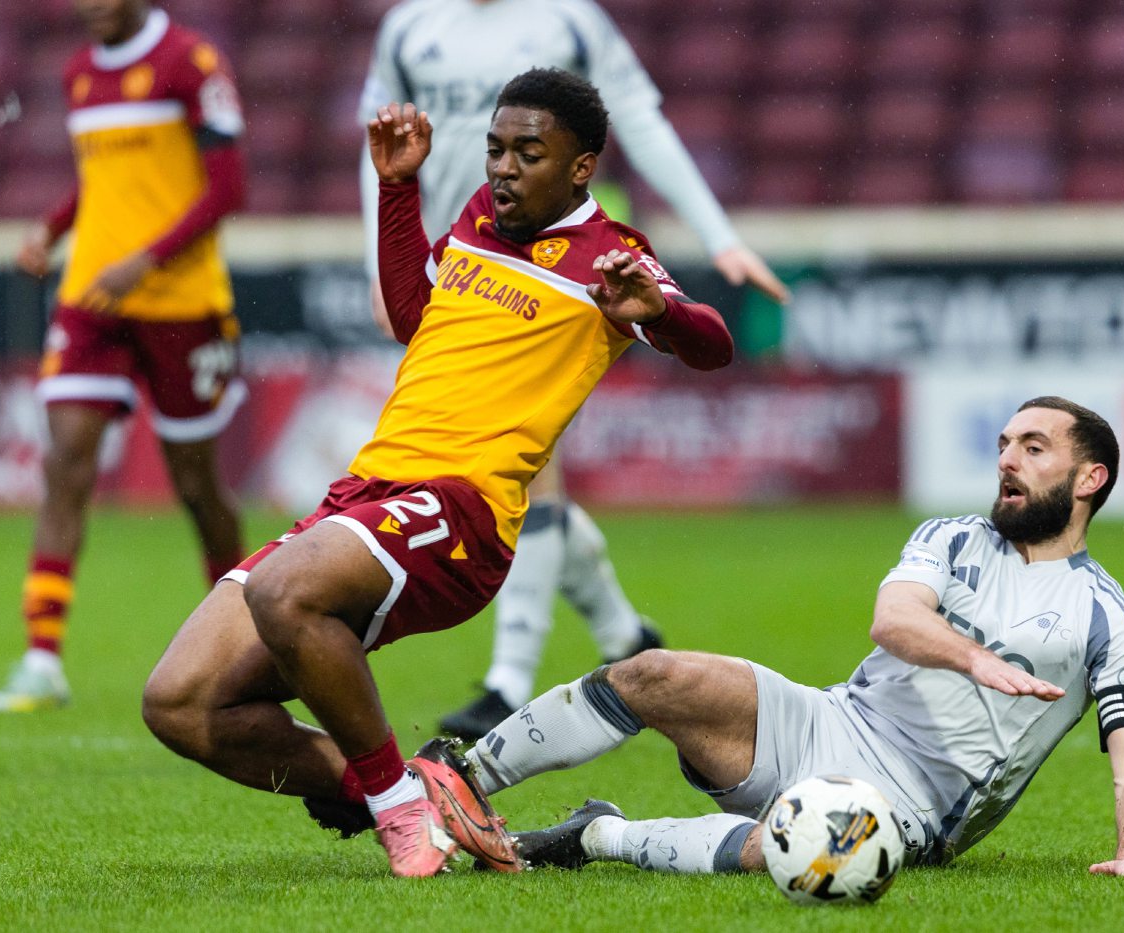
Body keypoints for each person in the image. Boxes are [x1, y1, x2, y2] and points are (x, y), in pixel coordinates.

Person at [141, 68, 735, 879]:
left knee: (285, 591)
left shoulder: (613, 258)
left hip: (462, 510)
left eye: (529, 152)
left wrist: (661, 311)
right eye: (495, 149)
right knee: (180, 703)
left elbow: (714, 344)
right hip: (366, 492)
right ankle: (418, 789)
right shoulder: (478, 221)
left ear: (581, 166)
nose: (504, 168)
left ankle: (396, 811)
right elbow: (414, 315)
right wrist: (397, 190)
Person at [453, 397, 1124, 878]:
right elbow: (894, 620)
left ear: (1088, 478)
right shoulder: (954, 537)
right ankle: (459, 781)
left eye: (1034, 448)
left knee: (803, 848)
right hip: (829, 718)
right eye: (1005, 443)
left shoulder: (1104, 617)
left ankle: (597, 834)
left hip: (913, 804)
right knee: (653, 673)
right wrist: (975, 657)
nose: (1008, 458)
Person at [359, 0, 790, 740]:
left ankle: (507, 679)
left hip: (572, 265)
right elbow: (371, 139)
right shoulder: (410, 26)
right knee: (527, 472)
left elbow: (641, 118)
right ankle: (622, 632)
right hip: (466, 249)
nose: (504, 156)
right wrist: (383, 244)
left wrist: (717, 238)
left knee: (522, 465)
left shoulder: (569, 19)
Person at [0, 0, 248, 713]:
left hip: (181, 304)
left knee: (197, 490)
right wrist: (53, 228)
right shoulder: (78, 72)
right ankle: (41, 657)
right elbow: (101, 182)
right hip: (92, 297)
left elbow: (228, 187)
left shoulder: (190, 63)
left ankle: (247, 645)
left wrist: (148, 260)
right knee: (65, 460)